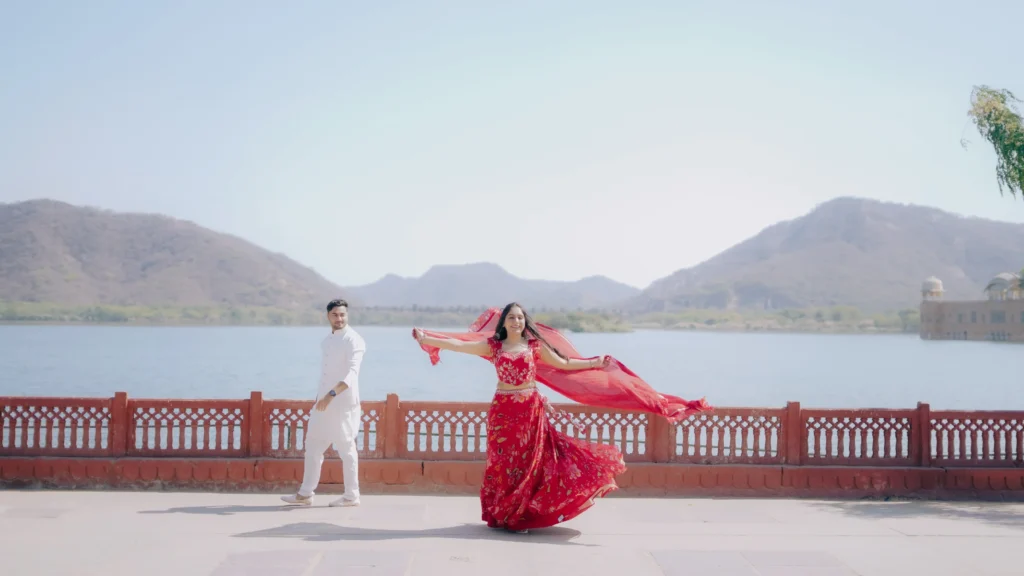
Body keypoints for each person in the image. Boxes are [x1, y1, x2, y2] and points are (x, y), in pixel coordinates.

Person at [412, 302, 709, 532]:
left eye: (520, 317)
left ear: (525, 322)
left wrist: (594, 362)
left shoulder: (534, 347)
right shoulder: (493, 346)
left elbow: (564, 364)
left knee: (528, 462)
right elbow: (460, 345)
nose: (516, 321)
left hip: (529, 410)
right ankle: (501, 513)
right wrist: (428, 337)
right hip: (502, 411)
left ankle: (519, 515)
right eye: (511, 317)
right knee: (502, 463)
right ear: (504, 322)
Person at [281, 298, 366, 507]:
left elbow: (352, 373)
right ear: (328, 316)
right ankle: (305, 494)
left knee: (346, 448)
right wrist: (321, 397)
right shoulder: (327, 341)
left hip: (342, 403)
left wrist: (331, 394)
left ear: (347, 315)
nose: (339, 318)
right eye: (335, 315)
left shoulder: (354, 340)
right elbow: (326, 374)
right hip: (323, 402)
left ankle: (351, 496)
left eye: (342, 314)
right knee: (312, 445)